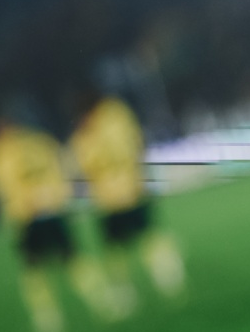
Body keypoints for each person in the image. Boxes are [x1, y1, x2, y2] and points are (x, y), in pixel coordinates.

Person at [0, 113, 122, 332]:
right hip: (52, 210)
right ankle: (103, 301)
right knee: (73, 261)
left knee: (35, 273)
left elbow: (6, 188)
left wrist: (18, 208)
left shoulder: (1, 154)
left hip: (28, 218)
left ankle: (49, 322)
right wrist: (58, 195)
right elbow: (59, 162)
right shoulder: (37, 140)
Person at [69, 93, 186, 310]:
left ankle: (128, 291)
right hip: (131, 190)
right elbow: (137, 143)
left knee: (117, 248)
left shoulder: (86, 134)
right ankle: (167, 274)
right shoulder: (117, 115)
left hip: (111, 198)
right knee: (146, 236)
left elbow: (85, 166)